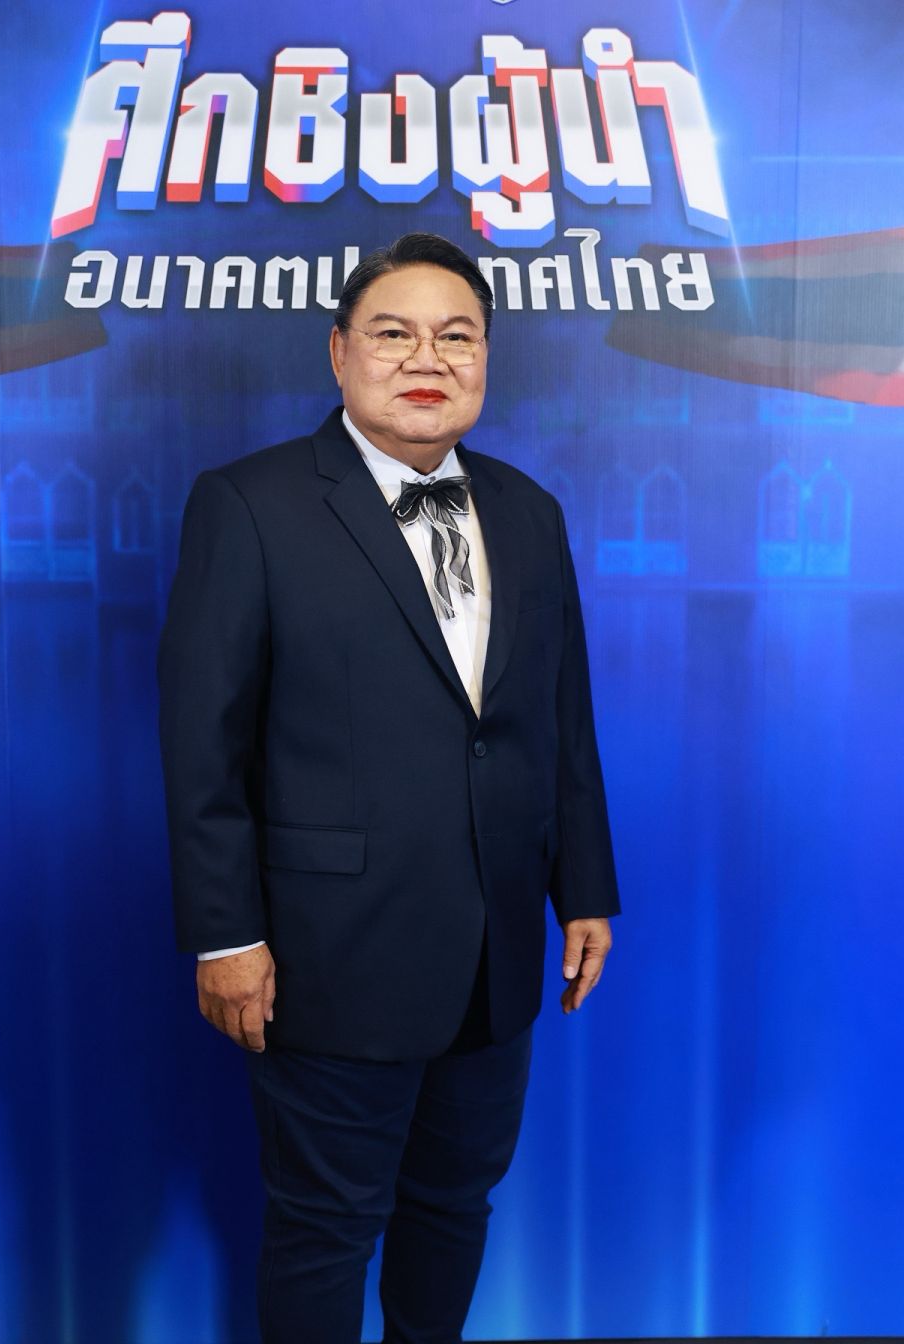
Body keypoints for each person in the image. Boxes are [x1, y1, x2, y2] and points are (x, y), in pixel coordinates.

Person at [157, 232, 620, 1344]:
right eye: (394, 334)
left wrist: (585, 889)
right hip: (328, 957)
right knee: (324, 1230)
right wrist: (225, 936)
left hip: (495, 957)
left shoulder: (531, 512)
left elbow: (562, 720)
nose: (428, 358)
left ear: (486, 358)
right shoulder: (249, 504)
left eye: (457, 336)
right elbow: (202, 741)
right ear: (339, 353)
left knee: (456, 1208)